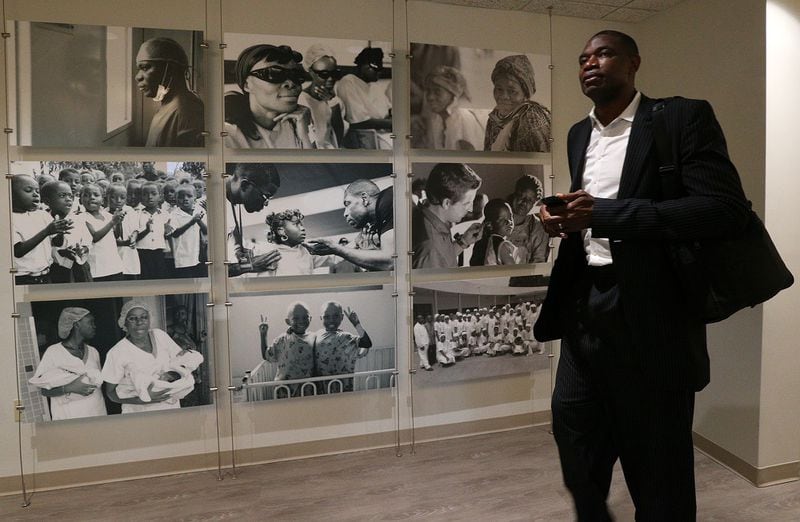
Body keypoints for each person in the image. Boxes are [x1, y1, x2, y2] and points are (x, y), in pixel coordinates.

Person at [534, 30, 750, 521]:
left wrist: (605, 215)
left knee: (657, 465)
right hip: (585, 303)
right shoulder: (578, 133)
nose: (591, 62)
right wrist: (563, 219)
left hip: (653, 314)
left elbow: (723, 210)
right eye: (583, 57)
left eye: (604, 53)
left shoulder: (679, 118)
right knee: (575, 430)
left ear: (634, 62)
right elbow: (592, 211)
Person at [102, 301, 200, 413]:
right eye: (132, 318)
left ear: (149, 320)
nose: (139, 322)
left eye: (144, 317)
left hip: (170, 408)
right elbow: (111, 394)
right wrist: (144, 400)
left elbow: (181, 361)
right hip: (139, 413)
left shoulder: (160, 335)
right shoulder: (117, 352)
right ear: (124, 322)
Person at [224, 44, 313, 149]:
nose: (291, 83)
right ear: (247, 85)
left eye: (296, 75)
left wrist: (306, 135)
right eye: (275, 74)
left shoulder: (299, 123)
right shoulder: (228, 134)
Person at [28, 308, 107, 420]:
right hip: (69, 416)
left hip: (97, 412)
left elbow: (98, 383)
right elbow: (43, 390)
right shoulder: (54, 352)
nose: (94, 326)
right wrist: (70, 388)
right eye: (90, 322)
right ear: (77, 324)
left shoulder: (93, 351)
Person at [306, 179, 393, 272]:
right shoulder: (379, 219)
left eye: (348, 204)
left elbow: (391, 262)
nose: (345, 214)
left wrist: (336, 249)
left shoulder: (389, 199)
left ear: (364, 198)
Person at [411, 163, 483, 269]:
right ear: (446, 203)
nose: (471, 209)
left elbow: (442, 259)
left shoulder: (432, 218)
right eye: (466, 203)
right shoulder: (430, 249)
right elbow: (435, 258)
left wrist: (463, 242)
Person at [135, 37, 204, 147]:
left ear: (170, 69)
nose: (138, 77)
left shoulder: (187, 110)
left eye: (145, 67)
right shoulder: (168, 105)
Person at [12, 175, 73, 285]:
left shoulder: (42, 215)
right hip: (23, 279)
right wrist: (46, 232)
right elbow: (18, 251)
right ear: (10, 194)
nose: (35, 194)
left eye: (37, 191)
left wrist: (60, 231)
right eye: (28, 190)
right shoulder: (9, 219)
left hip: (46, 275)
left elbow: (56, 243)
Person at [484, 55, 551, 152]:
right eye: (499, 89)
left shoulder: (531, 117)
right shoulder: (494, 119)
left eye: (512, 91)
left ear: (525, 93)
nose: (504, 96)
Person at [225, 163, 282, 277]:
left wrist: (239, 250)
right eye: (265, 196)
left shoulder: (233, 197)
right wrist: (248, 266)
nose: (265, 204)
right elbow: (194, 272)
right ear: (245, 185)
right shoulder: (203, 202)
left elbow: (231, 231)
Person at [411, 65, 484, 151]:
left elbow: (472, 159)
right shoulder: (436, 120)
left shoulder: (464, 119)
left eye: (437, 91)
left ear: (452, 94)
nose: (430, 97)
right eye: (428, 91)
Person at [335, 46, 392, 149]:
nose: (379, 73)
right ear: (364, 66)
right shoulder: (348, 82)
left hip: (384, 133)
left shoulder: (374, 85)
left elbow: (388, 110)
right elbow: (358, 122)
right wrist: (390, 124)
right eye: (377, 69)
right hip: (366, 137)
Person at [259, 302, 316, 398]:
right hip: (284, 389)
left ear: (310, 318)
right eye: (295, 318)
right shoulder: (282, 339)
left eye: (305, 317)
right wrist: (263, 335)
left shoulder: (314, 337)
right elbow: (266, 355)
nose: (301, 321)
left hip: (307, 388)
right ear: (288, 321)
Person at [313, 302, 372, 393]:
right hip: (322, 388)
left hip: (342, 387)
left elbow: (367, 343)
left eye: (336, 316)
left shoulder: (346, 337)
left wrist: (357, 325)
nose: (331, 320)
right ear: (321, 318)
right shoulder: (317, 335)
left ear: (342, 317)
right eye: (327, 317)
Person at [41, 180, 92, 283]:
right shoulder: (43, 221)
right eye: (62, 195)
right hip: (57, 270)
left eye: (70, 196)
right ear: (47, 201)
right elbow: (47, 246)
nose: (68, 199)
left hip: (79, 267)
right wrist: (61, 252)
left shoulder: (78, 220)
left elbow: (87, 239)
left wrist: (82, 249)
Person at [298, 44, 347, 148]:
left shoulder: (336, 102)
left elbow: (338, 139)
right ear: (311, 72)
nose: (330, 79)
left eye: (334, 74)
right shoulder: (300, 100)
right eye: (324, 74)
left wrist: (333, 104)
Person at [262, 208, 331, 276]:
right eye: (296, 224)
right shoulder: (270, 255)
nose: (302, 228)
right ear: (281, 231)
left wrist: (333, 247)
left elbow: (334, 258)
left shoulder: (307, 251)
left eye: (301, 225)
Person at [80, 183, 125, 282]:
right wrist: (113, 222)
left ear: (103, 199)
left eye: (96, 195)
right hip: (97, 269)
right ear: (80, 199)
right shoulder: (82, 217)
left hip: (114, 266)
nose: (91, 198)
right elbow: (95, 237)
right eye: (86, 195)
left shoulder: (108, 216)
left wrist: (118, 223)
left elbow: (116, 235)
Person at [166, 184, 207, 278]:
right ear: (176, 200)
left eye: (189, 196)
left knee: (199, 282)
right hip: (183, 257)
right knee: (186, 281)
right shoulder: (174, 215)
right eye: (181, 197)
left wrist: (199, 221)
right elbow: (175, 234)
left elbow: (206, 231)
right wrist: (192, 222)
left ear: (195, 198)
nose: (185, 199)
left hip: (198, 256)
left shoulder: (199, 210)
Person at [506, 175, 549, 264]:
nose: (524, 202)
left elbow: (539, 262)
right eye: (521, 196)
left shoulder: (538, 229)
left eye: (529, 200)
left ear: (535, 203)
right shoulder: (498, 217)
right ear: (514, 194)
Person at [469, 199, 521, 266]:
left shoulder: (481, 242)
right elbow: (512, 268)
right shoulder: (502, 245)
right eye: (502, 220)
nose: (509, 222)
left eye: (510, 217)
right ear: (489, 225)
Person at [135, 182, 169, 279]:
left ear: (160, 196)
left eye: (154, 194)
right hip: (142, 253)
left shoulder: (165, 215)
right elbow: (134, 237)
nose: (150, 197)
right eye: (145, 194)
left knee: (160, 279)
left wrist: (167, 231)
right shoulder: (137, 215)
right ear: (141, 198)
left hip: (159, 253)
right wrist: (146, 230)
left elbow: (168, 234)